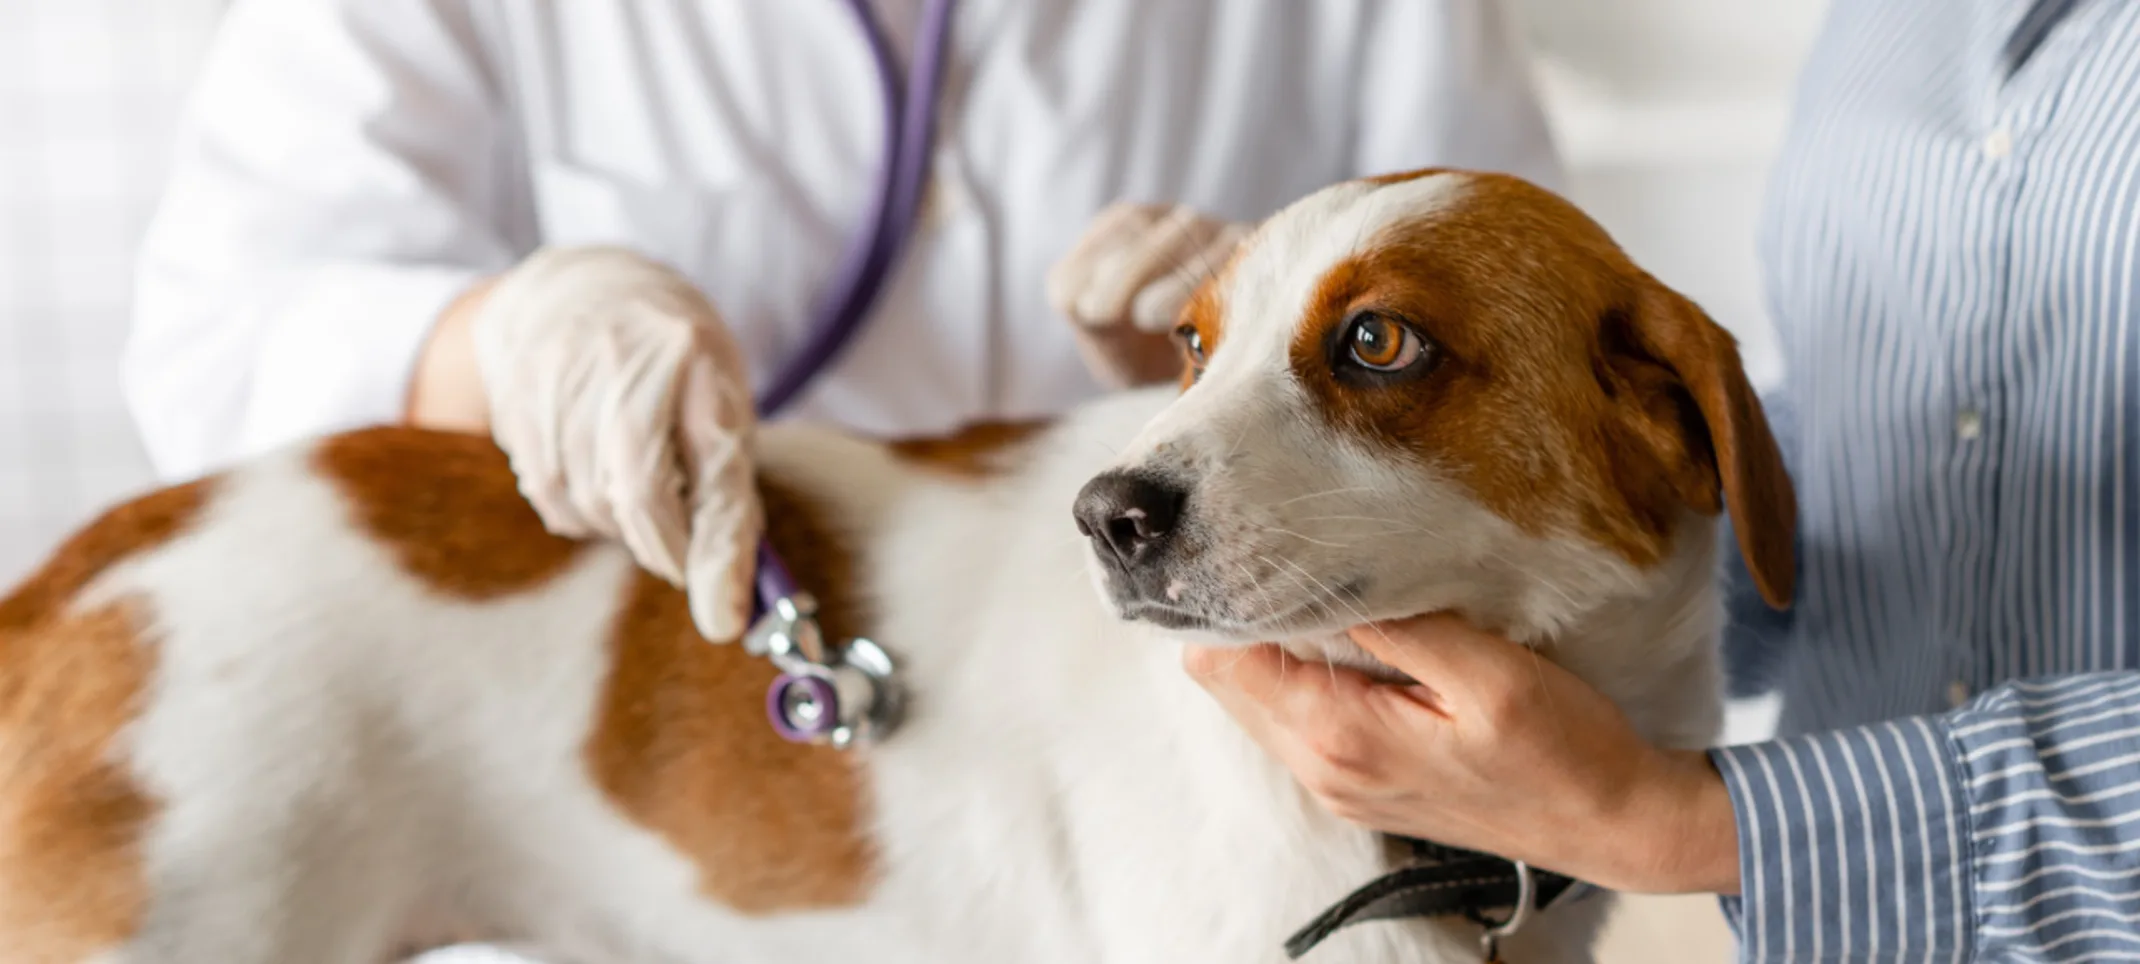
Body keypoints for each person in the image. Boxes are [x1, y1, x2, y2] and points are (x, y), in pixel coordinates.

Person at [1187, 0, 2140, 959]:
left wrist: (1675, 822)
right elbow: (1869, 447)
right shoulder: (1888, 25)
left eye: (1375, 338)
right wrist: (1242, 440)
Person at [126, 0, 1561, 636]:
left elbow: (1521, 349)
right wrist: (511, 338)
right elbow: (217, 341)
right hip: (639, 822)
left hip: (1181, 799)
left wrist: (1215, 380)